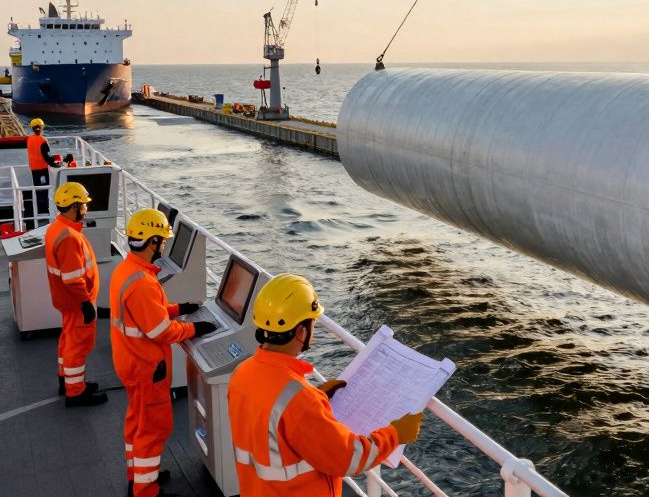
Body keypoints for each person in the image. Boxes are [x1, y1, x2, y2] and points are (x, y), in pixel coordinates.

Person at [227, 274, 423, 496]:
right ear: (301, 331)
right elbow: (347, 458)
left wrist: (314, 394)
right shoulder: (299, 401)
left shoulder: (241, 373)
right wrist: (396, 434)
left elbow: (269, 423)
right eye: (312, 321)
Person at [111, 209, 216, 496]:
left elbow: (145, 315)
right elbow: (160, 331)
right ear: (152, 241)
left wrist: (178, 309)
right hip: (147, 367)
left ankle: (139, 474)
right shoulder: (143, 283)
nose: (164, 246)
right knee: (153, 427)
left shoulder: (127, 271)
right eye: (162, 241)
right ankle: (145, 489)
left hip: (129, 360)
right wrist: (196, 329)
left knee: (137, 420)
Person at [45, 182, 108, 407]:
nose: (85, 210)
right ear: (74, 207)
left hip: (67, 301)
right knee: (77, 346)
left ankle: (67, 379)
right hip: (76, 301)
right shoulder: (70, 237)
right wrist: (85, 303)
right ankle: (75, 391)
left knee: (68, 340)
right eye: (83, 206)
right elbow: (72, 277)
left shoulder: (56, 229)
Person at [25, 118, 60, 216]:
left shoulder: (29, 139)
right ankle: (43, 211)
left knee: (38, 190)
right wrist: (54, 164)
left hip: (34, 169)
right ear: (41, 128)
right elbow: (47, 156)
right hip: (42, 169)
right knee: (43, 191)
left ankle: (39, 211)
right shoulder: (42, 140)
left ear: (32, 128)